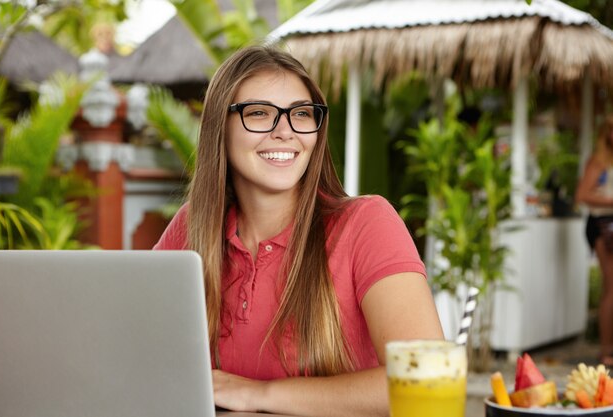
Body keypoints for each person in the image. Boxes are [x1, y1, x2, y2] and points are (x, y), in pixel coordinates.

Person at [154, 45, 444, 417]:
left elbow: (426, 384)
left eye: (301, 114)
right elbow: (138, 353)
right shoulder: (191, 229)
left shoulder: (367, 224)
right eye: (259, 113)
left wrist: (257, 395)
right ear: (218, 128)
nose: (285, 132)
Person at [576, 116, 613, 366]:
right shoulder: (598, 162)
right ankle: (606, 350)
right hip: (603, 226)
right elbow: (582, 195)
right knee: (611, 287)